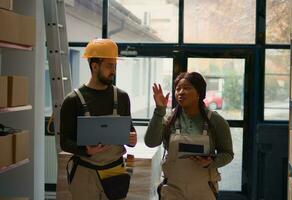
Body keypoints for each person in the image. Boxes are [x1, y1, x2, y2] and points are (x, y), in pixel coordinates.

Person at [60, 38, 137, 200]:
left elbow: (130, 132)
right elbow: (64, 141)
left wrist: (132, 139)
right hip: (85, 172)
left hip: (115, 171)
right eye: (109, 66)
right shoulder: (73, 100)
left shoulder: (122, 97)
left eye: (115, 66)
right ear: (94, 66)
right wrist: (86, 151)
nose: (113, 71)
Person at [145, 72, 234, 200]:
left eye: (187, 88)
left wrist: (211, 161)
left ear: (199, 93)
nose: (181, 92)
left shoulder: (215, 121)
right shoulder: (168, 119)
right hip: (172, 189)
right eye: (178, 89)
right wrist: (159, 110)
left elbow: (227, 154)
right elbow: (151, 142)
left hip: (203, 190)